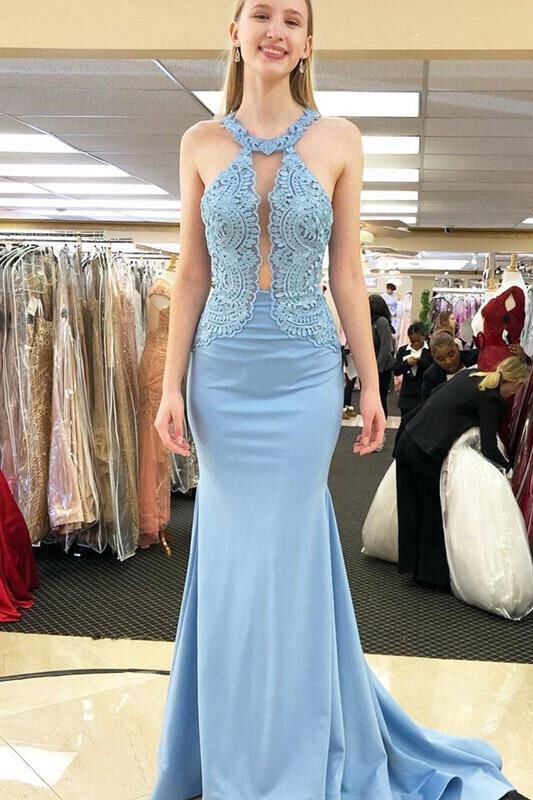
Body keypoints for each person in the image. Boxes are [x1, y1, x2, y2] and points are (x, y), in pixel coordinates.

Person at [150, 1, 525, 798]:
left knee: (286, 555)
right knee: (230, 556)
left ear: (307, 42)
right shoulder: (198, 142)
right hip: (222, 372)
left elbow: (347, 273)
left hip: (300, 375)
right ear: (234, 32)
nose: (275, 29)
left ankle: (293, 744)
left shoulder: (339, 139)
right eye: (260, 14)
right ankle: (225, 744)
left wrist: (372, 385)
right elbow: (191, 272)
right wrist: (169, 385)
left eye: (291, 18)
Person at [395, 356, 530, 593]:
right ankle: (431, 577)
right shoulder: (491, 398)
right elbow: (489, 448)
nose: (516, 393)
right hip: (426, 451)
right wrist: (509, 468)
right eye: (519, 387)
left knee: (410, 508)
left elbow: (436, 392)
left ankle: (412, 566)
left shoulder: (470, 375)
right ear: (516, 382)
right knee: (432, 511)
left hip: (408, 437)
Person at [422, 330, 479, 400]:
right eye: (441, 359)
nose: (448, 362)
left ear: (457, 347)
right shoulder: (431, 377)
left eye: (451, 355)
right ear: (433, 357)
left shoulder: (476, 358)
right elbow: (428, 404)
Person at [393, 321, 432, 417]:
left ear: (424, 337)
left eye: (418, 341)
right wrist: (406, 363)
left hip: (424, 394)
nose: (415, 344)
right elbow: (396, 370)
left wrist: (420, 361)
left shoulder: (430, 351)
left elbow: (432, 369)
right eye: (412, 341)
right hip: (407, 395)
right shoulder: (403, 350)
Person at [369, 293, 395, 419]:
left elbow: (386, 347)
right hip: (374, 368)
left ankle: (380, 425)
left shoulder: (381, 322)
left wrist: (377, 368)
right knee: (374, 400)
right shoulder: (372, 322)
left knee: (380, 399)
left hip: (381, 369)